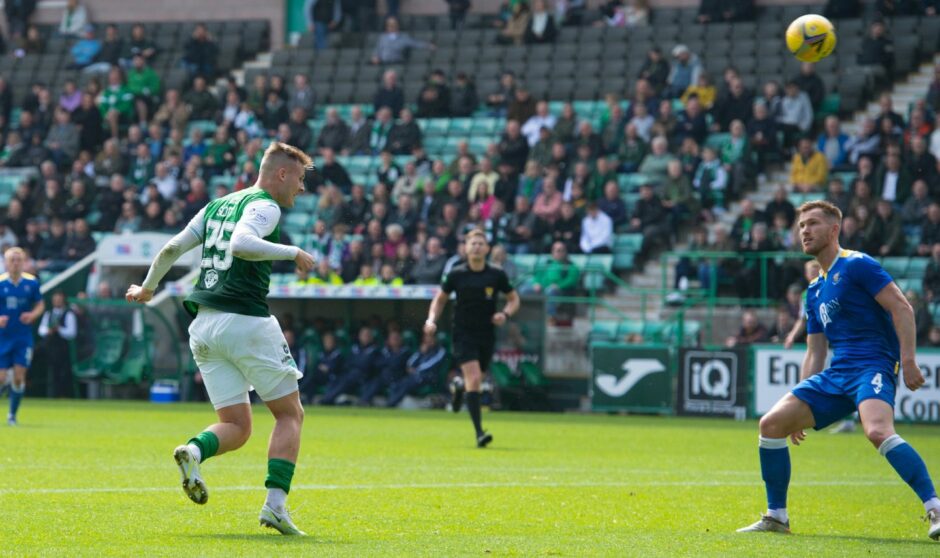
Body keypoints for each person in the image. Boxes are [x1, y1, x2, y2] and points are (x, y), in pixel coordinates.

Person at [124, 142, 316, 536]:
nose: (301, 189)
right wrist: (293, 251)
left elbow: (172, 247)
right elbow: (242, 244)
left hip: (204, 326)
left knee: (236, 425)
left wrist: (146, 288)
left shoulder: (217, 205)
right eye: (299, 179)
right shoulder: (266, 205)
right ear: (281, 174)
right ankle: (275, 506)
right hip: (244, 321)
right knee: (289, 414)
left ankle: (193, 451)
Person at [738, 200, 940, 540]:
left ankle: (935, 507)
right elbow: (815, 351)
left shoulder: (858, 264)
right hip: (837, 373)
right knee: (771, 424)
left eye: (813, 224)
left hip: (873, 365)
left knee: (876, 431)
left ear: (834, 230)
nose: (805, 230)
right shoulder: (814, 290)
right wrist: (801, 401)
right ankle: (776, 516)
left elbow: (902, 307)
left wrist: (907, 360)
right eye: (802, 225)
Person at [424, 230, 520, 448]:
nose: (477, 246)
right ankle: (479, 433)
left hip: (486, 333)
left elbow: (514, 300)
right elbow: (440, 300)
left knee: (475, 380)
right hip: (463, 333)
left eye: (481, 243)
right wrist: (431, 320)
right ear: (466, 248)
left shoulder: (496, 275)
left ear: (487, 249)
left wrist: (504, 314)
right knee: (475, 379)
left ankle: (458, 386)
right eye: (473, 243)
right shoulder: (457, 274)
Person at [0, 248, 44, 426]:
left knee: (19, 377)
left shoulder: (31, 283)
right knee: (1, 378)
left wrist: (33, 315)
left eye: (19, 260)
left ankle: (12, 415)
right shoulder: (0, 283)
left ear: (24, 262)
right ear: (6, 263)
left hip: (22, 337)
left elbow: (40, 304)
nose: (15, 263)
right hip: (3, 337)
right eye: (12, 260)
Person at [37, 290, 78, 398]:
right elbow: (41, 330)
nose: (57, 301)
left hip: (62, 349)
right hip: (48, 347)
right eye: (55, 299)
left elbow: (71, 333)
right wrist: (48, 331)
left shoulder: (69, 314)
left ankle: (60, 395)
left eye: (59, 299)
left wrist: (59, 329)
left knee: (60, 372)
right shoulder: (48, 313)